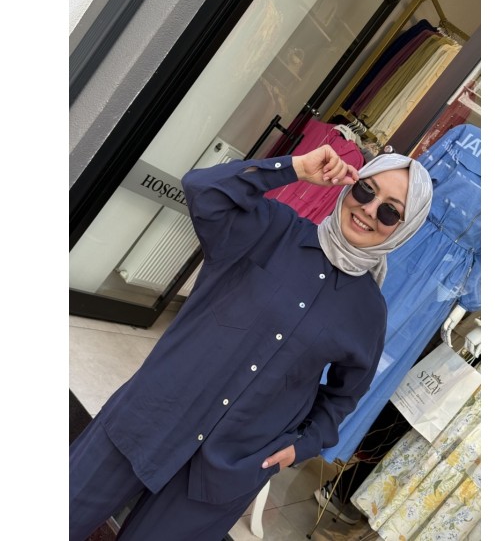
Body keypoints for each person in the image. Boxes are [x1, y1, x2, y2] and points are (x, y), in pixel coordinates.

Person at [69, 144, 433, 541]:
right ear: (350, 185)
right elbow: (203, 189)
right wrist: (293, 168)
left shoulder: (368, 312)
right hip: (151, 416)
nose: (368, 209)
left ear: (404, 228)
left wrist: (302, 446)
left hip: (229, 468)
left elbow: (343, 397)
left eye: (390, 211)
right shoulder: (272, 228)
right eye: (366, 190)